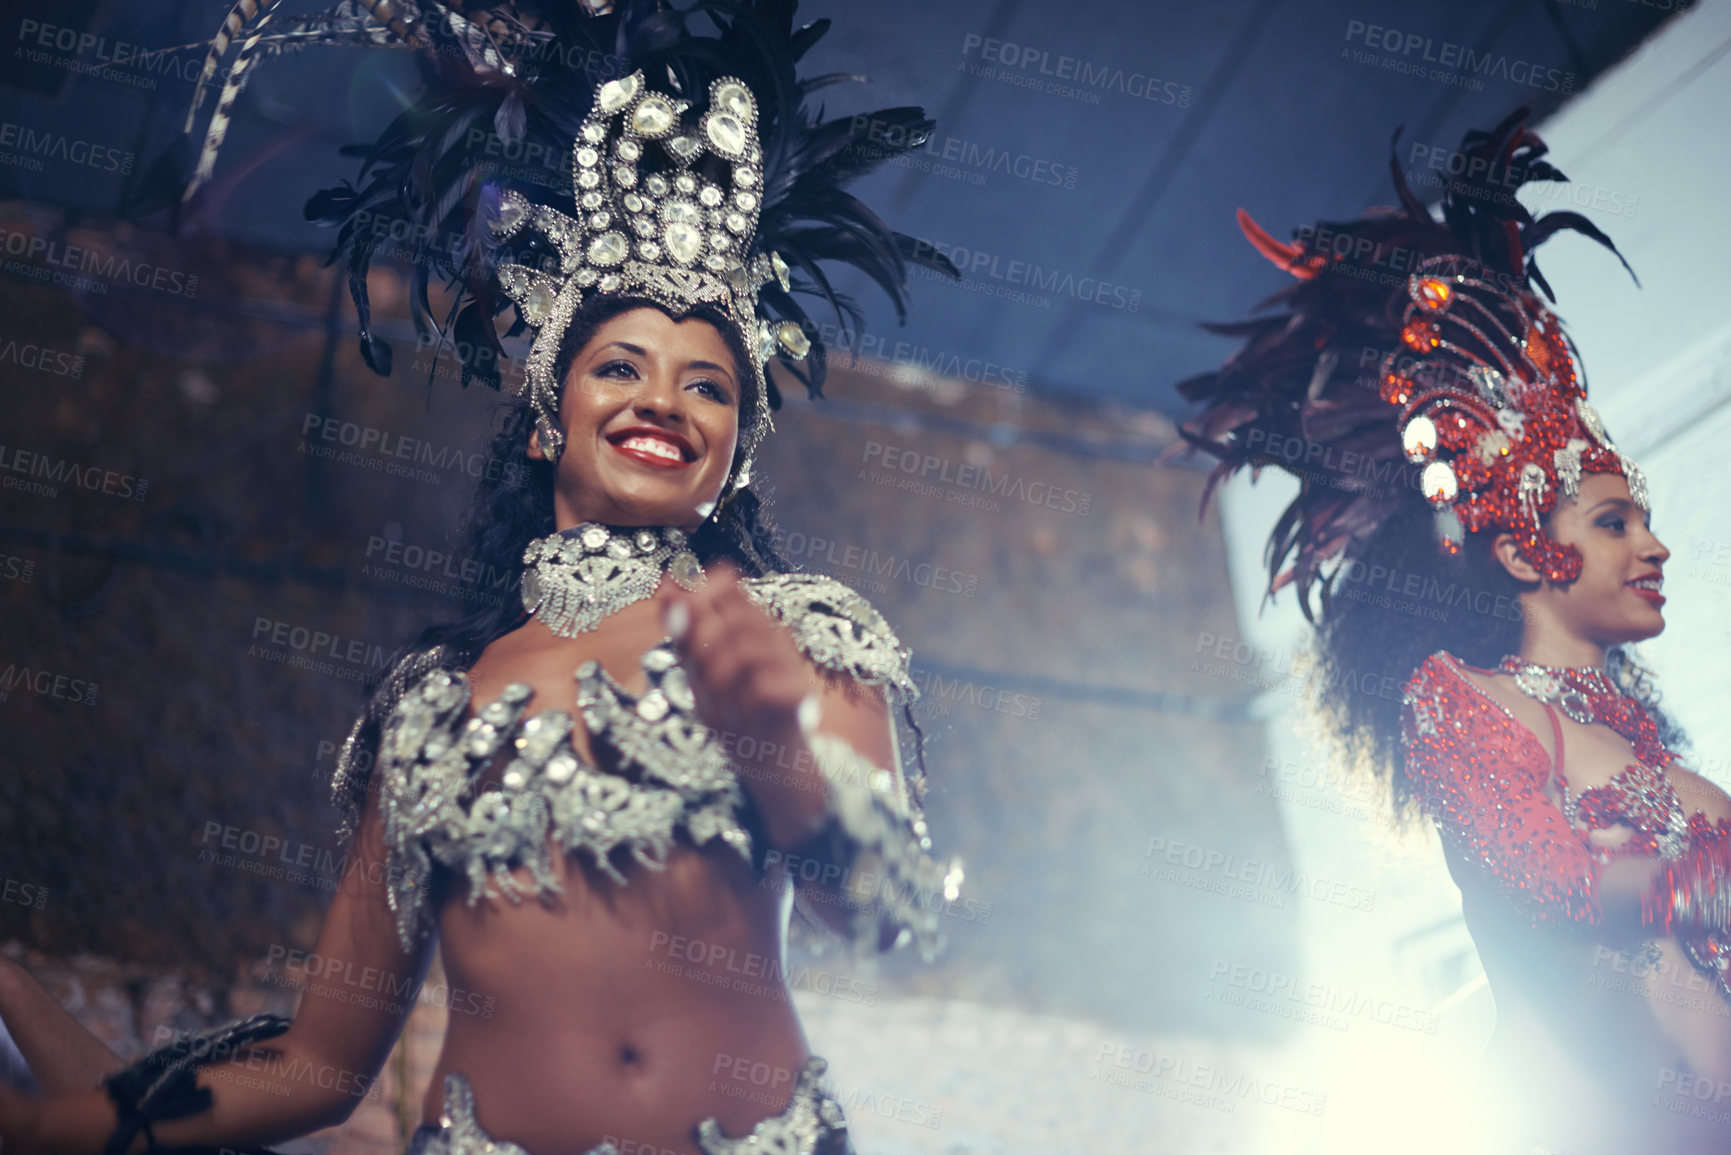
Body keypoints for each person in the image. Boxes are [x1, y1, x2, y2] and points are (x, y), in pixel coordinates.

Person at [0, 2, 961, 1152]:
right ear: (549, 418)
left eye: (708, 385)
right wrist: (48, 1092)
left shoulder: (800, 637)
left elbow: (896, 918)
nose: (663, 399)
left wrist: (781, 737)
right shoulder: (428, 708)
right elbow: (316, 1064)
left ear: (738, 452)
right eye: (621, 366)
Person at [1179, 108, 1731, 1154]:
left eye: (1647, 520)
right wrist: (1692, 882)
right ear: (1524, 550)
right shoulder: (1461, 700)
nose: (1654, 550)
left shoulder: (1661, 763)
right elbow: (1552, 877)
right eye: (1614, 521)